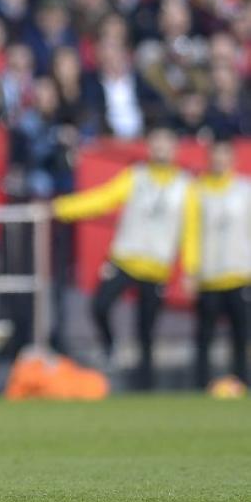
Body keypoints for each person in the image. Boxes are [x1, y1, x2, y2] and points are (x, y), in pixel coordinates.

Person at [52, 125, 190, 389]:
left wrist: (190, 268)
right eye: (156, 141)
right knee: (99, 305)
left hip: (156, 267)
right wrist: (62, 207)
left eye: (166, 142)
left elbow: (191, 231)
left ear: (175, 147)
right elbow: (103, 199)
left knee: (146, 333)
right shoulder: (136, 176)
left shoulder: (185, 186)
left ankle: (145, 389)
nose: (161, 148)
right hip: (126, 259)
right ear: (149, 146)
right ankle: (111, 347)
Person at [181, 139, 250, 389]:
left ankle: (242, 384)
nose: (220, 160)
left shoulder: (245, 190)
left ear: (233, 159)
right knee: (204, 338)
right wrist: (191, 270)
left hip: (240, 275)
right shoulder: (198, 190)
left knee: (241, 338)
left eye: (225, 156)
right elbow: (191, 233)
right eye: (216, 156)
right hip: (209, 277)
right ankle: (202, 386)